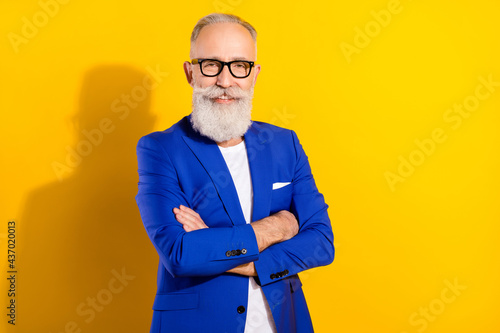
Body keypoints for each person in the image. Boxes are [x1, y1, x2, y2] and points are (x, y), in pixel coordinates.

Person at [135, 13, 334, 333]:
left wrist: (221, 252)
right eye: (211, 64)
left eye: (239, 66)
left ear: (254, 75)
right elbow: (181, 253)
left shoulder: (286, 143)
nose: (225, 81)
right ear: (190, 73)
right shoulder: (160, 149)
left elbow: (321, 243)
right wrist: (276, 227)